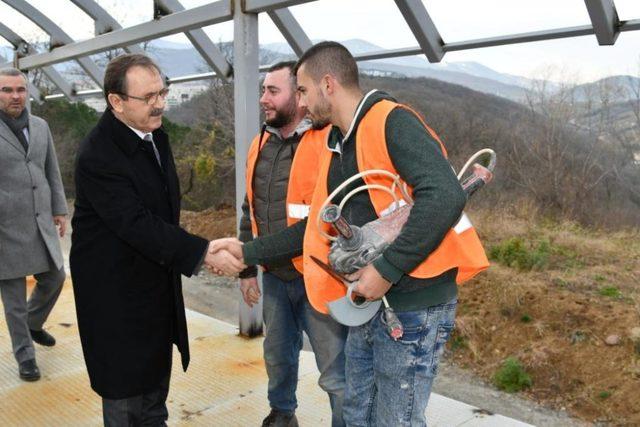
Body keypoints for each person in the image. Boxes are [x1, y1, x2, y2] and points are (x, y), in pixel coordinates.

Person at [213, 41, 488, 426]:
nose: (302, 103)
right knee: (358, 413)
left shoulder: (391, 121)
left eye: (304, 91)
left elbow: (444, 195)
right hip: (371, 303)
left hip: (414, 303)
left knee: (397, 420)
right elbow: (313, 232)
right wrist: (247, 253)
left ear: (328, 85)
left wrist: (388, 269)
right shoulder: (335, 142)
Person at [70, 54, 241, 426]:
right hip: (115, 299)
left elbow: (161, 214)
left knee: (153, 400)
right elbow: (136, 223)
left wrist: (196, 248)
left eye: (162, 91)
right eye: (147, 97)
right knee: (126, 403)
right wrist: (203, 251)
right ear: (116, 102)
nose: (160, 103)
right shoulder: (98, 155)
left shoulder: (153, 137)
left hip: (152, 290)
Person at [236, 61, 347, 427]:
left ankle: (344, 421)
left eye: (272, 91)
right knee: (278, 355)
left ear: (299, 98)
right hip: (275, 276)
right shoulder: (260, 144)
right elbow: (249, 208)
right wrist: (248, 268)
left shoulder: (328, 142)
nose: (264, 99)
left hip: (319, 276)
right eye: (263, 90)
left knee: (334, 367)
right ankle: (282, 414)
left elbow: (324, 218)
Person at [0, 67, 67, 382]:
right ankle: (25, 357)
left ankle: (34, 323)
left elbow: (50, 169)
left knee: (55, 277)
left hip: (40, 222)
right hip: (4, 228)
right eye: (7, 90)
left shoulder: (40, 126)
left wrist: (59, 208)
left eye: (20, 90)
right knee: (13, 301)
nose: (15, 96)